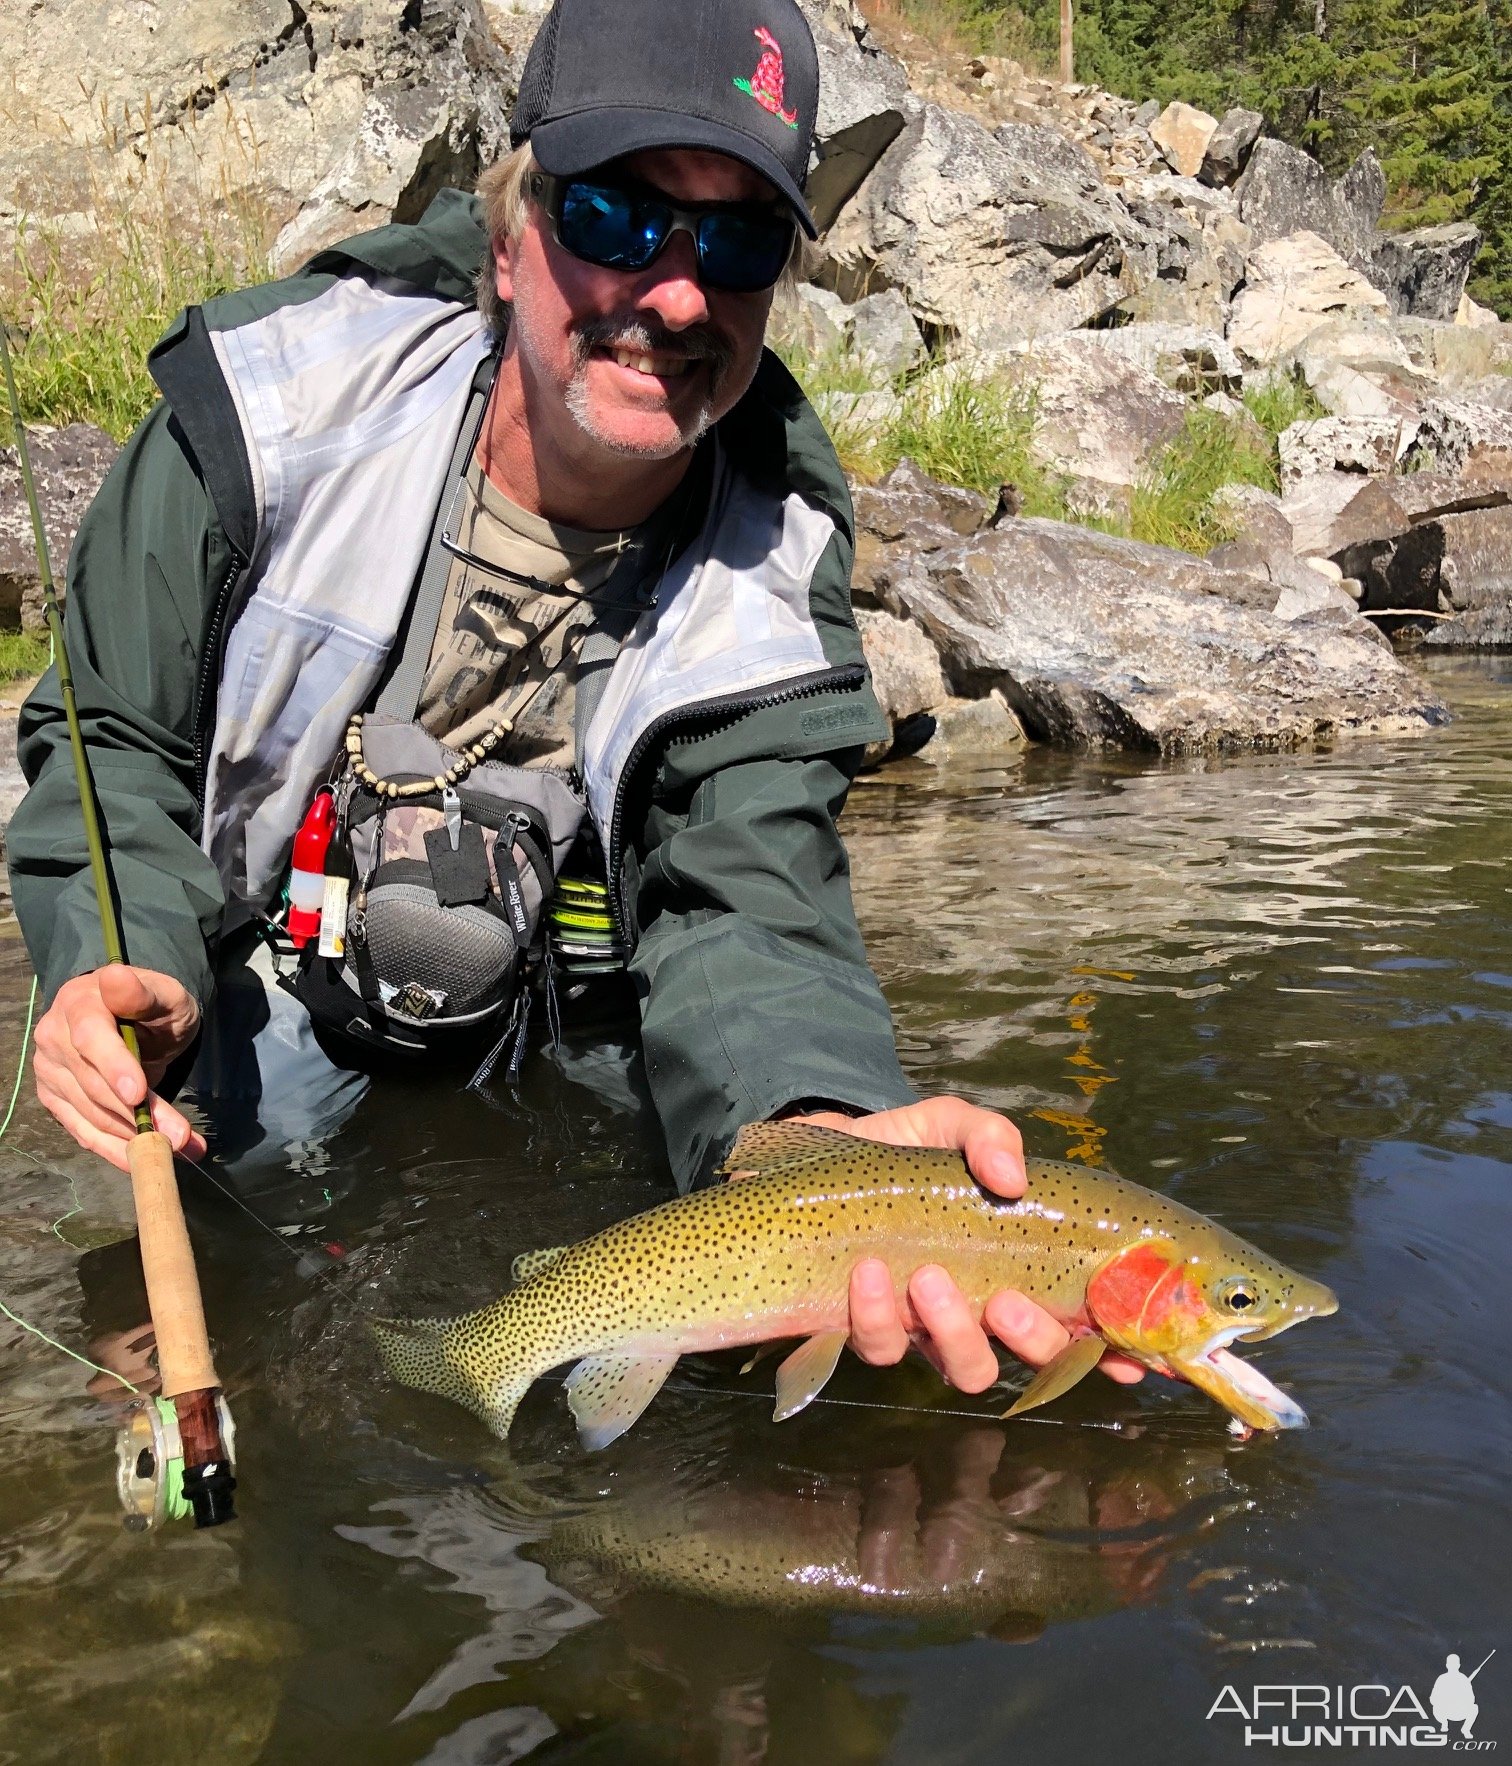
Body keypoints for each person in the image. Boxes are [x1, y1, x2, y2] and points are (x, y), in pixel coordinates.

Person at [8, 0, 1142, 1404]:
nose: (675, 296)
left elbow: (750, 901)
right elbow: (112, 731)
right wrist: (116, 962)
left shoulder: (774, 562)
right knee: (182, 1218)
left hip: (572, 1020)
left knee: (737, 1362)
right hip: (258, 983)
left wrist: (818, 1135)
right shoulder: (271, 409)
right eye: (616, 215)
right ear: (510, 230)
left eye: (736, 245)